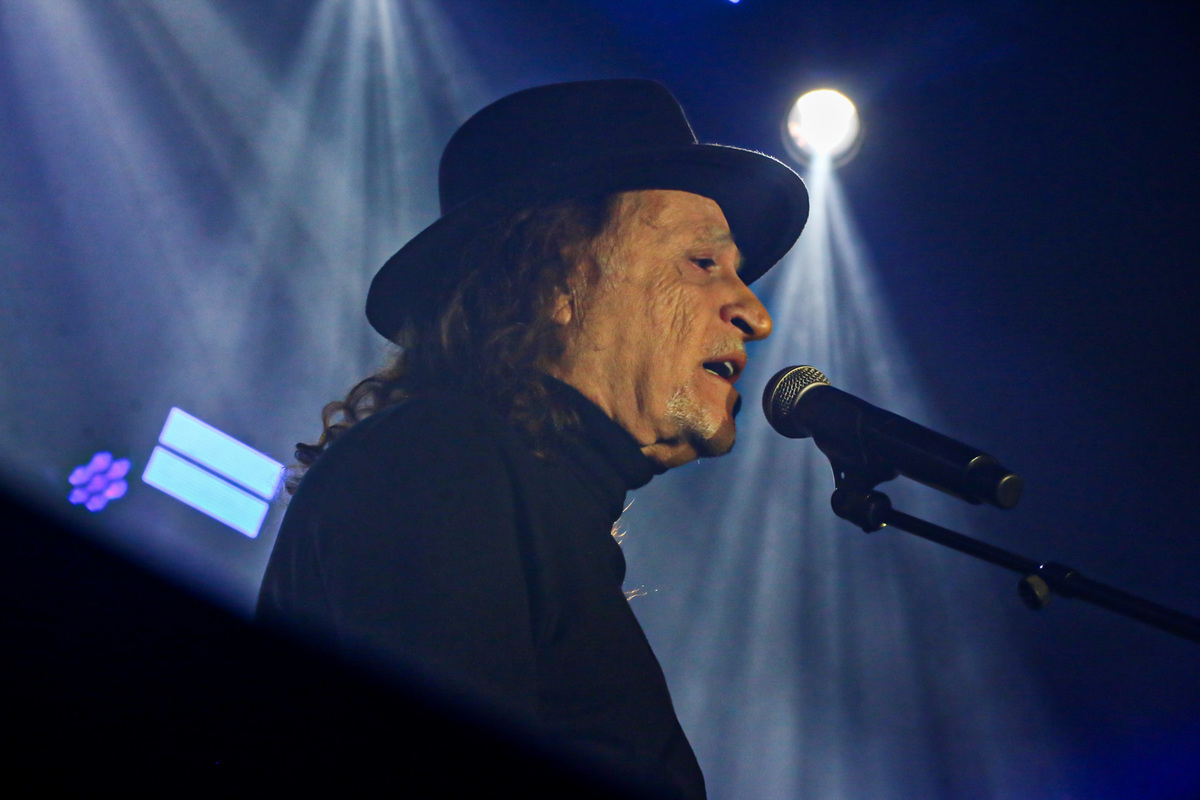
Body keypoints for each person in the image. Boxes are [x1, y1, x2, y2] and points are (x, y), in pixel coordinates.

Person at [257, 79, 808, 798]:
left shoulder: (512, 492)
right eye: (703, 263)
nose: (756, 316)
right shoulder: (437, 459)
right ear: (556, 281)